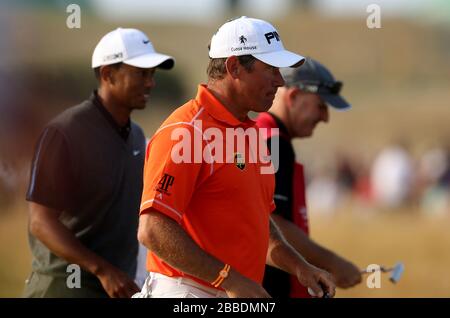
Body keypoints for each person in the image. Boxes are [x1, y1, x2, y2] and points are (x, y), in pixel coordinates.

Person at [134, 17, 336, 298]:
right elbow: (152, 230)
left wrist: (300, 267)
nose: (280, 80)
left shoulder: (252, 134)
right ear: (234, 67)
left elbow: (257, 220)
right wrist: (229, 280)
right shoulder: (187, 131)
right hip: (186, 293)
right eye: (270, 68)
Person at [24, 28, 174, 298]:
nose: (151, 82)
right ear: (108, 74)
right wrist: (103, 270)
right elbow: (40, 221)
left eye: (152, 74)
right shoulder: (65, 132)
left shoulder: (138, 136)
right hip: (61, 289)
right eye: (141, 73)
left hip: (116, 290)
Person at [256, 57, 362, 298]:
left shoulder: (266, 135)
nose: (325, 117)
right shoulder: (273, 142)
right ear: (293, 98)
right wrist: (332, 262)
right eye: (321, 106)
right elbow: (271, 222)